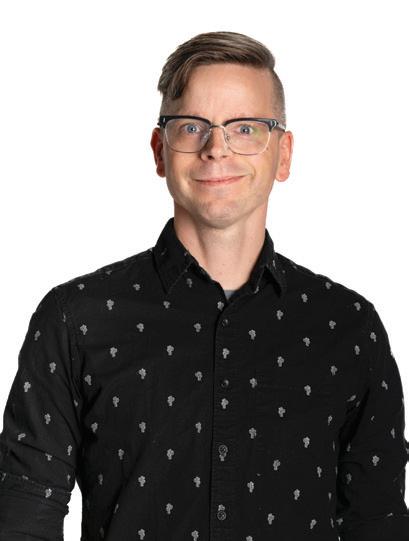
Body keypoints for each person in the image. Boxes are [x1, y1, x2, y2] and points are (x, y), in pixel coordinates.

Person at [0, 30, 408, 541]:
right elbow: (23, 516)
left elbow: (378, 521)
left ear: (283, 155)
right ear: (159, 151)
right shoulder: (76, 320)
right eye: (192, 127)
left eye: (246, 128)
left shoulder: (348, 328)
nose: (217, 148)